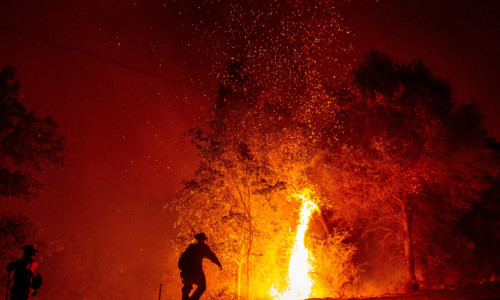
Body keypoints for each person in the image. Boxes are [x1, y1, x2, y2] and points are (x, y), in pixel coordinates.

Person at [178, 233, 222, 300]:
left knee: (187, 286)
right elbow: (211, 256)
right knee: (202, 286)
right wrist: (218, 263)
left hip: (186, 271)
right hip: (196, 270)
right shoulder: (203, 247)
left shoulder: (191, 247)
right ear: (204, 239)